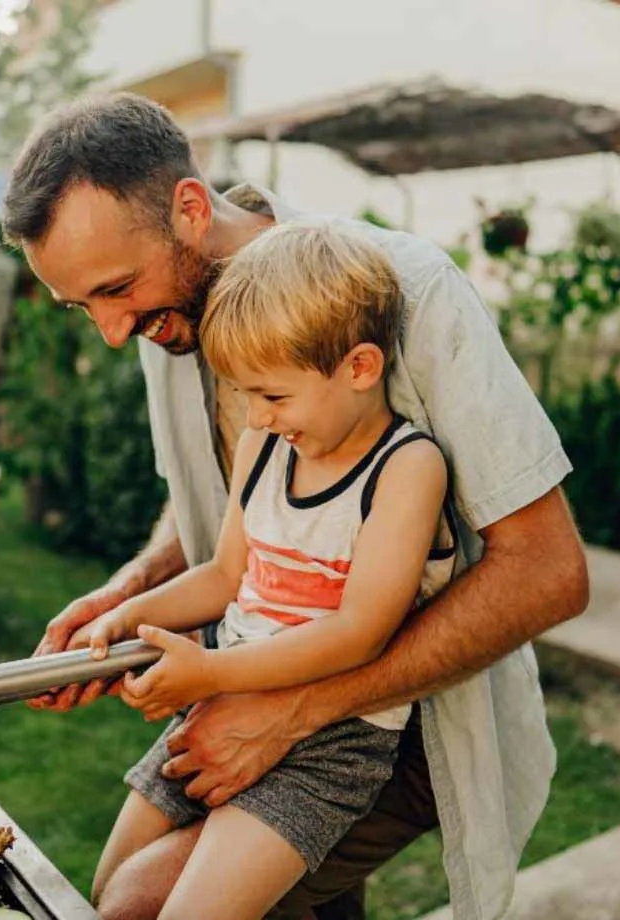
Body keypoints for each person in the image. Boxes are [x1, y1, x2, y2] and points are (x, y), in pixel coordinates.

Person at [3, 93, 590, 920]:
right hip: (254, 676)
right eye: (83, 306)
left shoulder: (411, 292)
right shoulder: (165, 315)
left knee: (137, 902)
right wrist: (126, 596)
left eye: (117, 289)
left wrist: (287, 713)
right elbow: (220, 509)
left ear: (190, 210)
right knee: (148, 887)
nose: (109, 329)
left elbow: (549, 572)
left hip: (404, 720)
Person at [82, 224, 457, 919]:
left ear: (360, 368)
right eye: (245, 394)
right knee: (110, 893)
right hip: (224, 700)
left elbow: (359, 634)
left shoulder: (406, 469)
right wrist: (128, 615)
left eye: (274, 396)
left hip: (332, 741)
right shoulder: (265, 443)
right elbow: (226, 577)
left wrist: (211, 673)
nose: (255, 417)